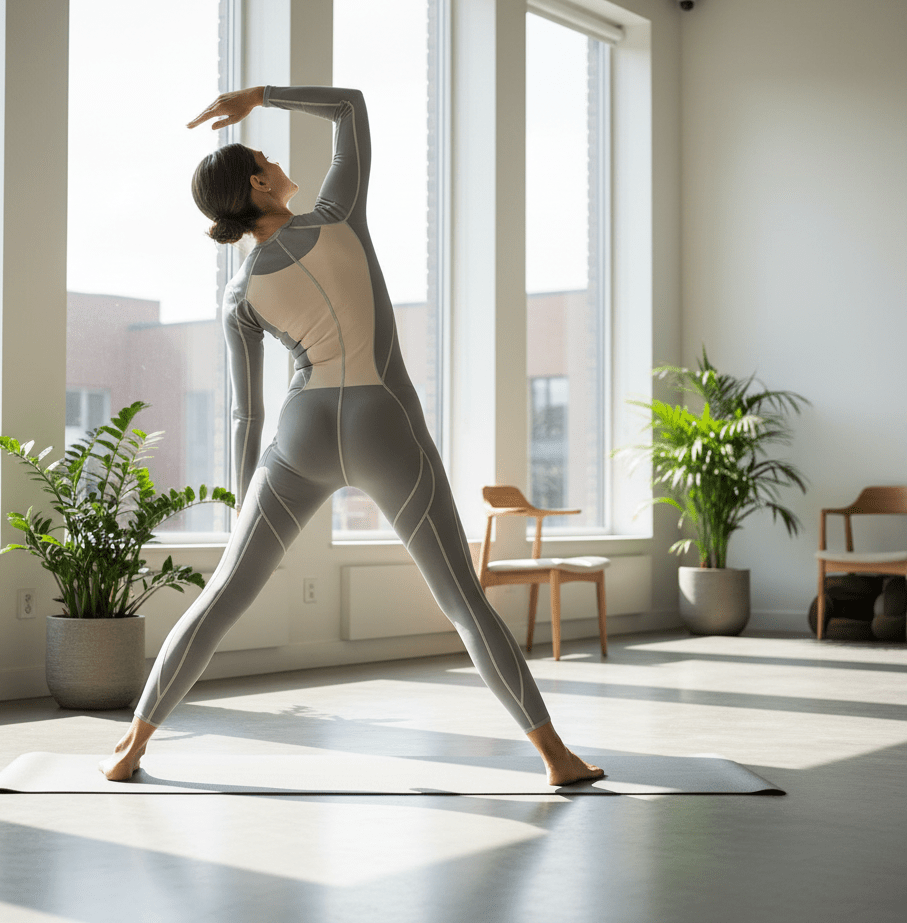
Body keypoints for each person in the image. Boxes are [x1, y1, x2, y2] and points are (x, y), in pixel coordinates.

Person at [100, 85, 604, 787]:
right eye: (267, 158)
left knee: (221, 600)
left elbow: (245, 415)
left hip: (300, 432)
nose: (278, 162)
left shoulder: (239, 295)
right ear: (256, 181)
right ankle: (557, 758)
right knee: (462, 601)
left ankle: (129, 749)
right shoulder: (339, 217)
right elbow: (352, 110)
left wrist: (245, 503)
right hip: (382, 423)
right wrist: (262, 96)